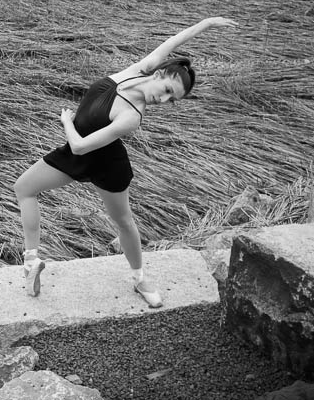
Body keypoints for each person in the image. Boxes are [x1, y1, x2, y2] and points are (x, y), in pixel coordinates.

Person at [13, 17, 238, 307]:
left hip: (106, 164)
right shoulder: (137, 70)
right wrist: (208, 23)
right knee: (24, 189)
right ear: (159, 74)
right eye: (169, 91)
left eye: (172, 101)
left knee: (123, 222)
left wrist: (66, 121)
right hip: (75, 152)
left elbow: (80, 146)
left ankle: (140, 279)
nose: (165, 101)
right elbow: (176, 40)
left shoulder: (133, 117)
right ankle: (31, 262)